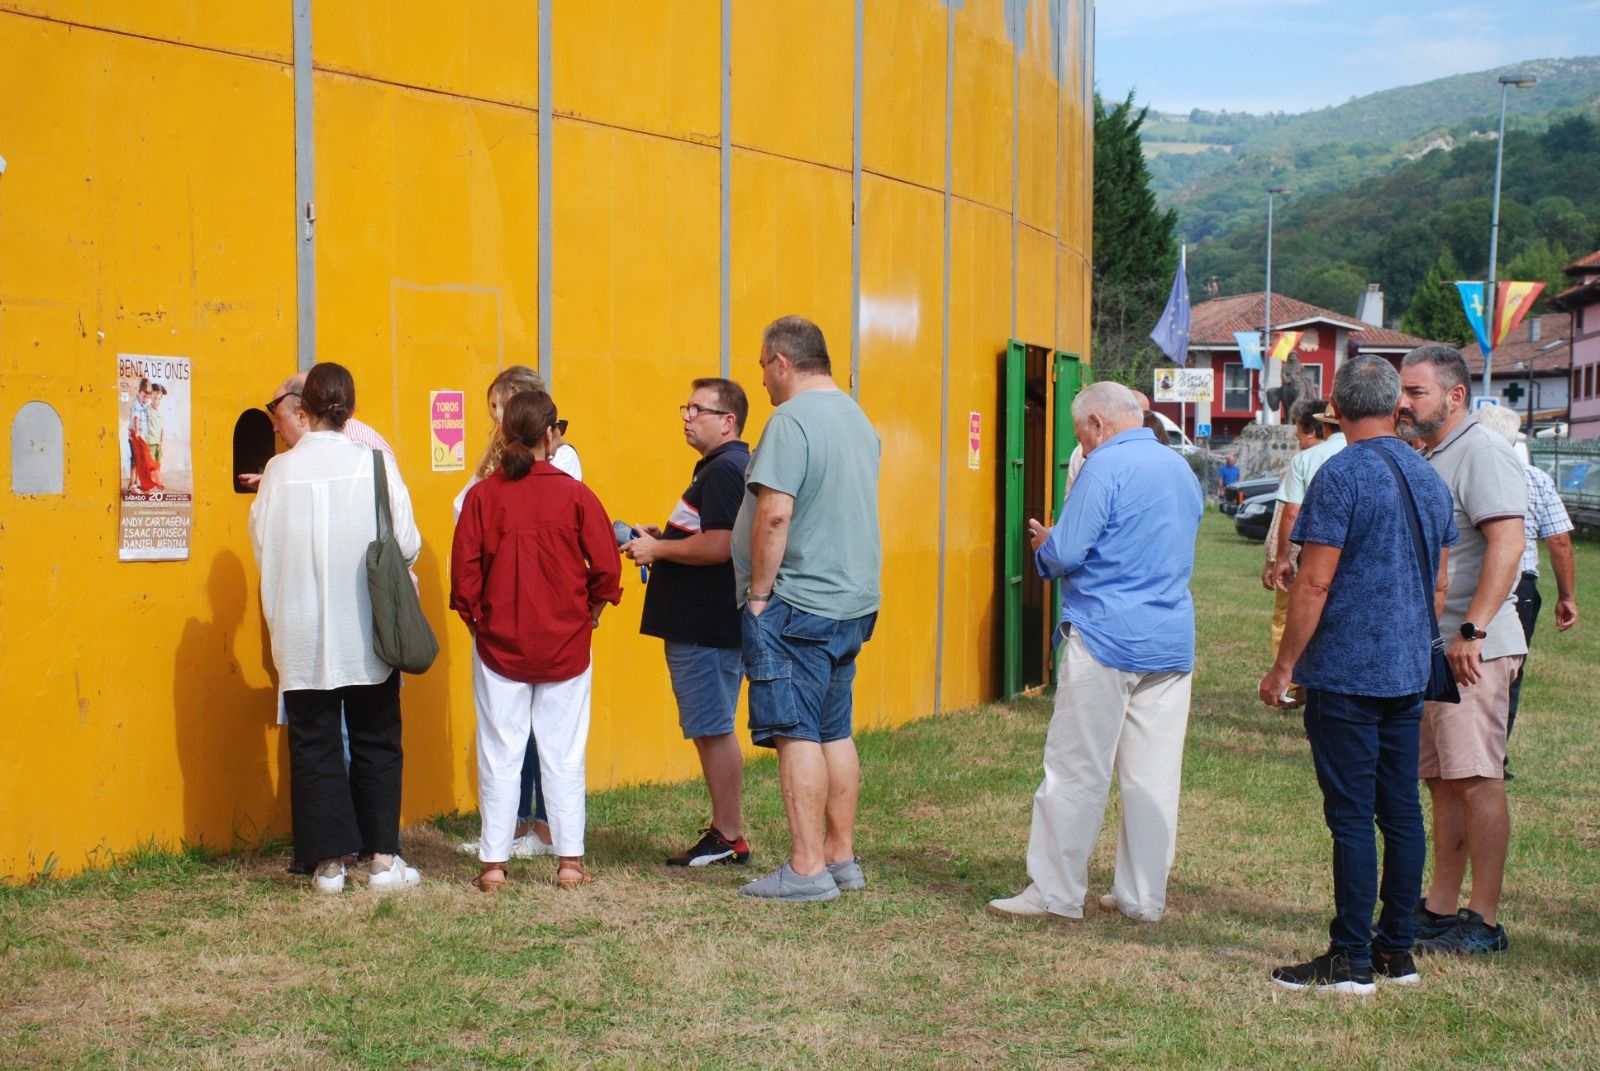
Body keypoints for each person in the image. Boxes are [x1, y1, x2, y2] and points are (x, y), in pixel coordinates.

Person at [1259, 356, 1457, 993]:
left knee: (1350, 816)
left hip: (1347, 670)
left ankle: (1350, 959)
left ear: (1335, 409)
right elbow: (1441, 583)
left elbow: (1314, 581)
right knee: (1400, 811)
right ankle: (1396, 951)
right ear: (1397, 404)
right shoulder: (1426, 476)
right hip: (1407, 667)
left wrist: (1284, 665)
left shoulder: (1340, 475)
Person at [988, 381, 1202, 922]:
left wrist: (1043, 543)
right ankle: (1142, 897)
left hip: (1106, 634)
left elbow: (1069, 551)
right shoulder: (1180, 468)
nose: (1080, 444)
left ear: (1098, 425)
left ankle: (1056, 892)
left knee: (1077, 766)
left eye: (1081, 433)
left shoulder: (1103, 466)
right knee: (1153, 775)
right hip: (1169, 637)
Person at [248, 362, 424, 895]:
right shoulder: (374, 465)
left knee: (313, 743)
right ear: (348, 405)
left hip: (300, 630)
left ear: (306, 409)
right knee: (376, 740)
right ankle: (383, 860)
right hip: (366, 630)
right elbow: (409, 542)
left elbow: (261, 547)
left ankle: (328, 865)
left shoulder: (278, 473)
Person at [731, 316, 881, 903]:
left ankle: (806, 868)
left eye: (762, 367)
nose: (762, 380)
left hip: (797, 600)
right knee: (832, 729)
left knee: (795, 733)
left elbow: (774, 513)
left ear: (780, 361)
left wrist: (759, 596)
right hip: (850, 598)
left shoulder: (791, 420)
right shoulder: (855, 415)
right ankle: (841, 858)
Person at [450, 390, 623, 892]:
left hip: (499, 643)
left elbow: (464, 578)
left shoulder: (483, 497)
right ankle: (569, 863)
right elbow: (608, 567)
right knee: (564, 752)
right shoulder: (575, 494)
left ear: (506, 434)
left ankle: (494, 866)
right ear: (552, 435)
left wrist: (477, 622)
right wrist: (590, 612)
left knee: (499, 751)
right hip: (566, 642)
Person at [1397, 344, 1526, 955]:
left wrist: (1472, 630)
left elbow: (1507, 546)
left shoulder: (1482, 451)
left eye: (1415, 392)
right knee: (1443, 781)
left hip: (1473, 648)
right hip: (1440, 648)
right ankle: (1442, 907)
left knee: (1476, 779)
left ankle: (1485, 920)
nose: (1402, 401)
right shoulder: (1437, 453)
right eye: (1402, 390)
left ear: (1455, 396)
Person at [453, 365, 583, 861]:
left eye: (499, 412)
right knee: (525, 741)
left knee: (537, 741)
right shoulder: (498, 475)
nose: (494, 422)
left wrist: (592, 605)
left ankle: (537, 836)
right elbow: (464, 508)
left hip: (532, 616)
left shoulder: (561, 464)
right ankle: (528, 836)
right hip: (520, 617)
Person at [623, 377, 753, 867]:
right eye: (686, 407)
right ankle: (726, 832)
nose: (686, 416)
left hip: (706, 626)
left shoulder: (724, 471)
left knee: (714, 727)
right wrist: (667, 538)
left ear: (728, 421)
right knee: (707, 726)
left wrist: (658, 548)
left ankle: (728, 835)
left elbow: (721, 545)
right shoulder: (721, 467)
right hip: (702, 624)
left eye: (698, 409)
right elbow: (705, 534)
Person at [1477, 405, 1578, 775]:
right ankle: (1494, 756)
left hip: (1470, 580)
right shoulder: (1536, 478)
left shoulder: (1463, 473)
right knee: (1509, 670)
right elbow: (1560, 541)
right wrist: (1566, 596)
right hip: (1520, 585)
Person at [240, 372, 396, 490]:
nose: (275, 429)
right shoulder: (301, 458)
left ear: (301, 414)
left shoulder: (361, 444)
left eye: (279, 418)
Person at [1261, 402, 1328, 663]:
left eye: (1298, 430)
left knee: (1286, 617)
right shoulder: (1350, 453)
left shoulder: (1302, 461)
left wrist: (1275, 559)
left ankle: (1289, 681)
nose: (1297, 437)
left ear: (1312, 431)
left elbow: (1286, 514)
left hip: (1299, 553)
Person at [1268, 403, 1346, 593]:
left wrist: (1283, 559)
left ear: (1325, 427)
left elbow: (1291, 515)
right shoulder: (1366, 454)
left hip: (1315, 554)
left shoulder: (1305, 459)